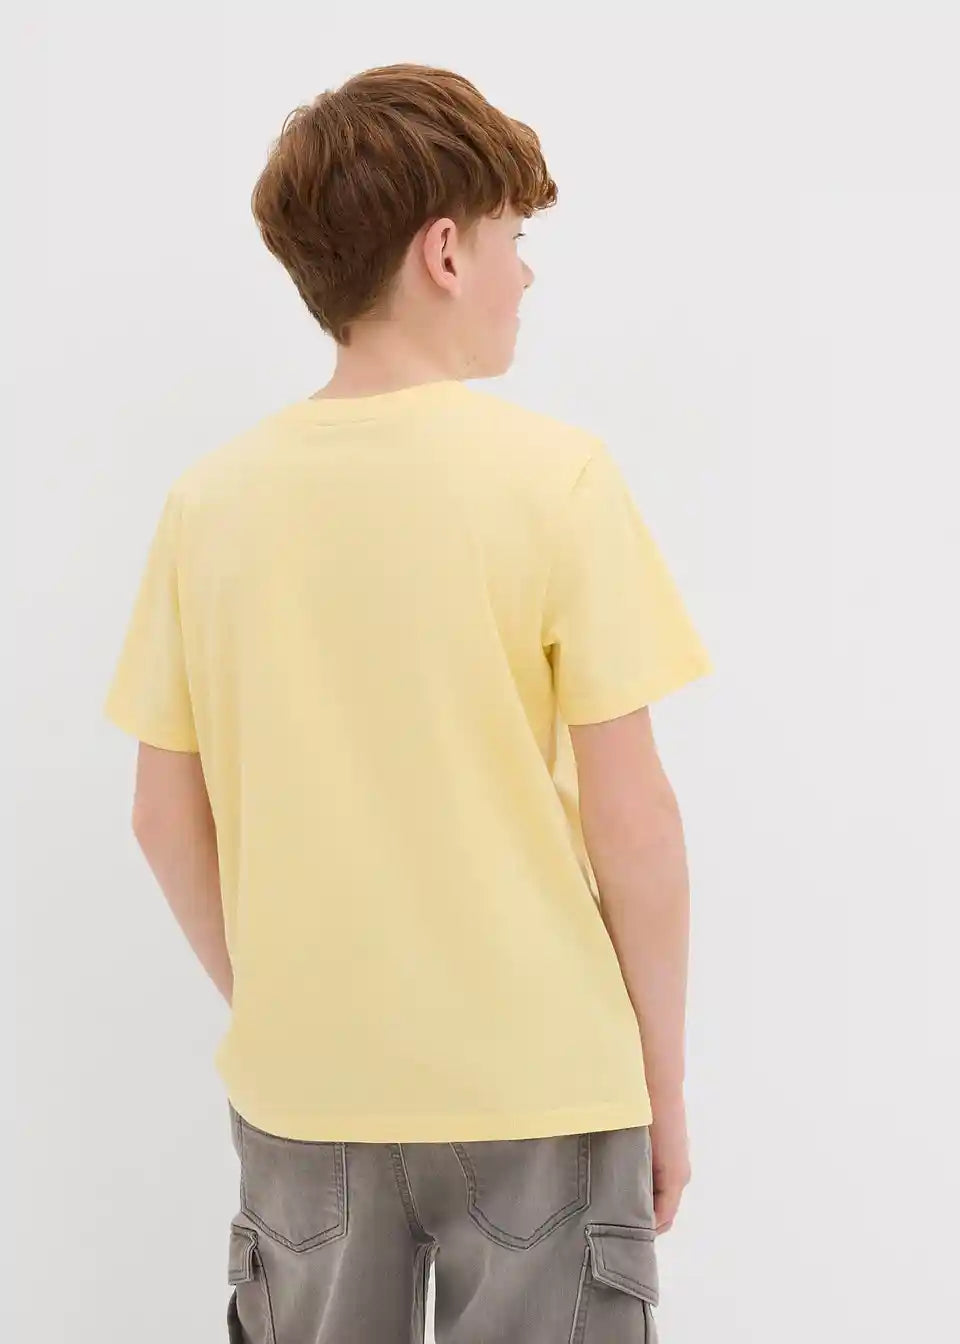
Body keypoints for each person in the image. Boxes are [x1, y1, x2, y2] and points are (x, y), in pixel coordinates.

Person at [103, 62, 713, 1344]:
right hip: (540, 1079)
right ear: (444, 251)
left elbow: (163, 816)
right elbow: (637, 825)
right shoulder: (556, 479)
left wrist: (282, 1003)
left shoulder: (209, 505)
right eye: (514, 238)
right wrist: (659, 1085)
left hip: (308, 1093)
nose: (525, 275)